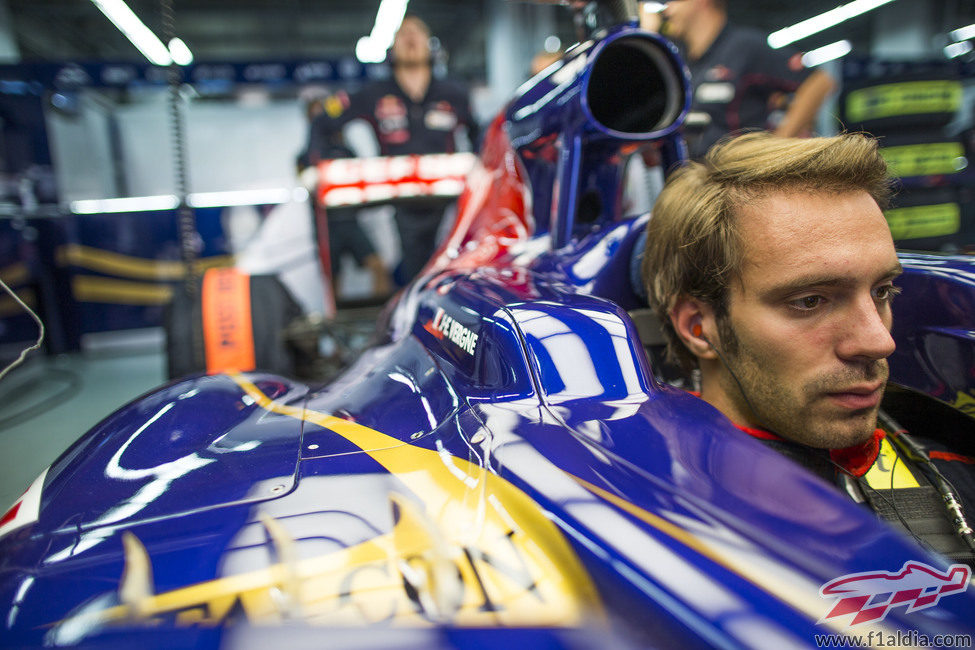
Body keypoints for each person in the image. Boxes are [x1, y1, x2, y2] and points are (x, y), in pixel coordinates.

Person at [641, 132, 975, 560]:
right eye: (810, 301)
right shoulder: (649, 528)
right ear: (700, 327)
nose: (879, 341)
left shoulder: (955, 463)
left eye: (882, 291)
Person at [308, 15, 478, 286]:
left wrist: (482, 168)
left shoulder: (454, 92)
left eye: (417, 33)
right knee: (410, 273)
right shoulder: (373, 93)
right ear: (392, 49)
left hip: (450, 201)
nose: (410, 37)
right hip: (398, 205)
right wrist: (317, 162)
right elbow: (322, 121)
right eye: (403, 33)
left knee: (452, 269)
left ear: (430, 46)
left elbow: (477, 133)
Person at [645, 0, 836, 159]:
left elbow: (820, 82)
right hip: (697, 179)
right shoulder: (681, 59)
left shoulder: (745, 47)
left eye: (674, 1)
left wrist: (780, 143)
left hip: (741, 179)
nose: (667, 9)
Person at [299, 96, 392, 302]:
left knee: (378, 266)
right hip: (327, 226)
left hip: (351, 221)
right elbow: (304, 185)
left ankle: (379, 311)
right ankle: (335, 323)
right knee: (332, 279)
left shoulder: (347, 151)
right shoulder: (305, 156)